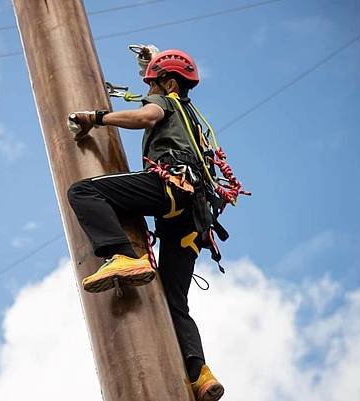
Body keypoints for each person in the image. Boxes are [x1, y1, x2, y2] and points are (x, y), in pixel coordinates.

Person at [67, 48, 226, 401]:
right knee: (174, 301)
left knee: (83, 192)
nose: (146, 94)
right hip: (194, 218)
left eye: (151, 85)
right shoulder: (191, 119)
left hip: (171, 187)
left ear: (169, 84)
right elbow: (155, 92)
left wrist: (97, 117)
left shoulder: (167, 104)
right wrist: (151, 60)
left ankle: (121, 254)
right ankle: (200, 374)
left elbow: (145, 116)